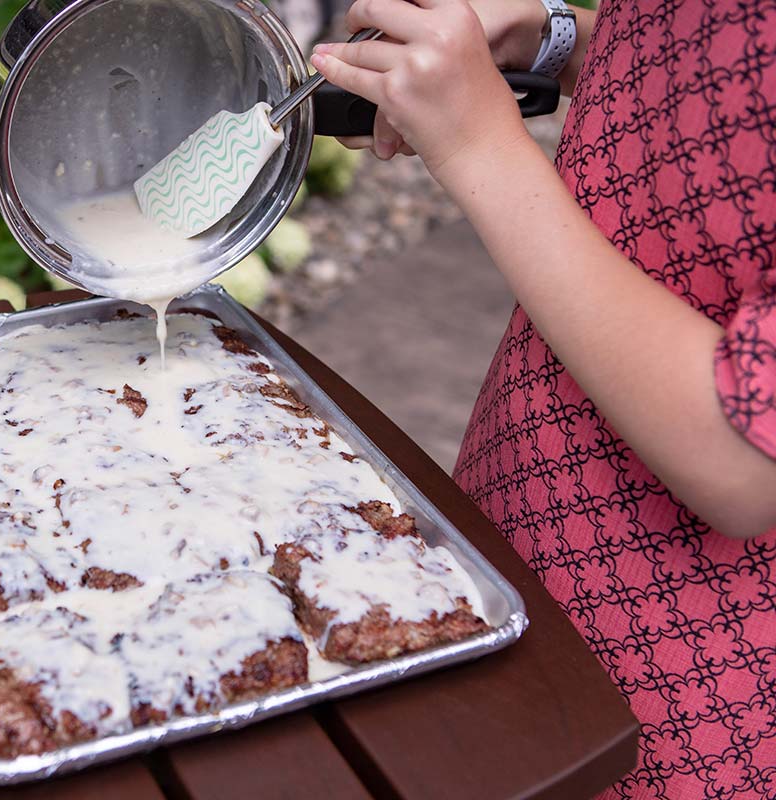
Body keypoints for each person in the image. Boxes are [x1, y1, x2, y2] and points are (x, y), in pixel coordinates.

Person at [310, 0, 776, 797]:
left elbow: (745, 459)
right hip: (514, 522)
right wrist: (551, 39)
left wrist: (478, 144)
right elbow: (723, 98)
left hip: (668, 690)